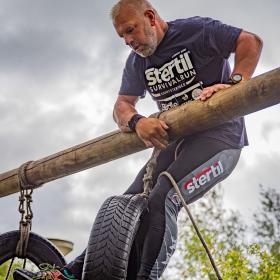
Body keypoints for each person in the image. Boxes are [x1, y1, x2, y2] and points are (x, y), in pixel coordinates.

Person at [13, 0, 263, 279]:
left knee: (163, 196)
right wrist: (137, 121)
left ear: (151, 17)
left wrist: (235, 83)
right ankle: (67, 275)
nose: (129, 41)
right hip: (176, 144)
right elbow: (121, 107)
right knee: (127, 204)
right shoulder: (137, 62)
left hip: (221, 139)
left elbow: (250, 41)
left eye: (131, 30)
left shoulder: (197, 30)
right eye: (123, 36)